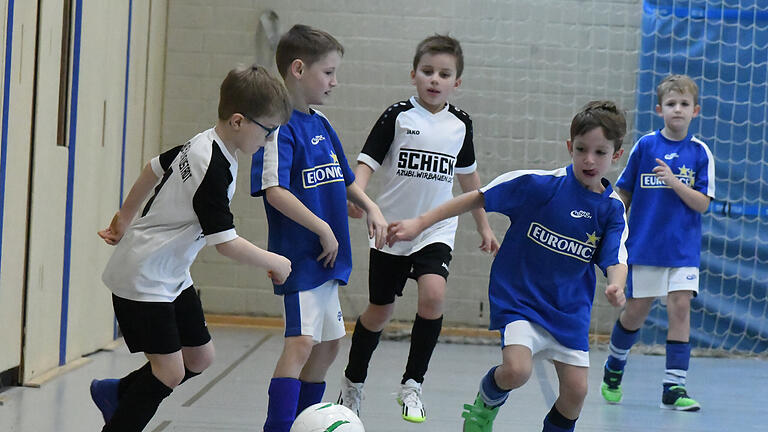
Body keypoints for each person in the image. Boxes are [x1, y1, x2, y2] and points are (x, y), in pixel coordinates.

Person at [388, 100, 629, 432]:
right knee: (517, 370)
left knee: (577, 392)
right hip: (522, 299)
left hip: (569, 310)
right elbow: (478, 196)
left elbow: (616, 258)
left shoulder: (612, 210)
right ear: (569, 146)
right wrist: (420, 223)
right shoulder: (539, 186)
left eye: (600, 152)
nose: (589, 159)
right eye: (582, 149)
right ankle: (486, 404)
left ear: (616, 155)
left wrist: (616, 284)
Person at [89, 64, 294, 432]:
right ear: (237, 121)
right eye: (267, 131)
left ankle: (117, 393)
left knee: (199, 358)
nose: (269, 140)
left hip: (170, 273)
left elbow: (153, 169)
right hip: (144, 278)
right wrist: (274, 261)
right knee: (168, 372)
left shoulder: (205, 141)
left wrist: (125, 217)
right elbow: (225, 244)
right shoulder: (210, 167)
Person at [337, 34, 499, 423]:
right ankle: (352, 384)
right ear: (413, 74)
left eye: (444, 74)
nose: (435, 79)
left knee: (433, 296)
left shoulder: (461, 125)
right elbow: (364, 167)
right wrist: (356, 199)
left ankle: (413, 384)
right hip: (390, 230)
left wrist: (484, 226)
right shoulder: (396, 116)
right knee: (380, 311)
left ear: (456, 82)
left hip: (435, 232)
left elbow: (470, 181)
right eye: (427, 71)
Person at [249, 24, 387, 432]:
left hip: (329, 259)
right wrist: (323, 227)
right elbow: (274, 190)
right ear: (297, 69)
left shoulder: (322, 124)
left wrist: (369, 206)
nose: (334, 81)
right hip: (300, 258)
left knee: (328, 346)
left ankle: (302, 422)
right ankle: (278, 427)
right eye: (327, 72)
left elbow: (343, 178)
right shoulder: (278, 127)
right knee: (302, 343)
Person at [600, 74, 714, 412]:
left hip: (682, 250)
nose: (677, 110)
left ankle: (674, 387)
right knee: (635, 313)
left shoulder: (699, 153)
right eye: (671, 104)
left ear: (695, 111)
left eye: (683, 104)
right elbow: (624, 191)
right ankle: (614, 366)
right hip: (645, 247)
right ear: (659, 109)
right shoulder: (646, 146)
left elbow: (702, 204)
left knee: (680, 308)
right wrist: (613, 221)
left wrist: (676, 183)